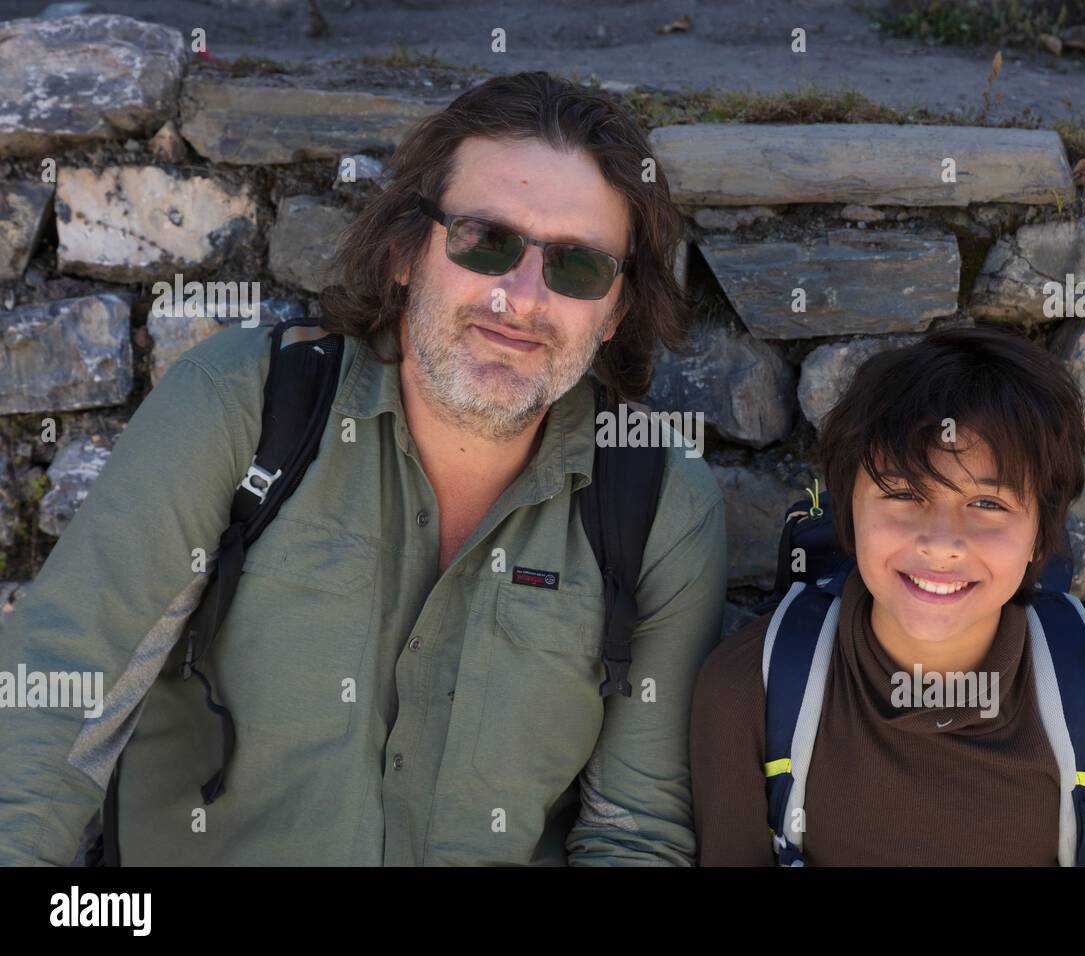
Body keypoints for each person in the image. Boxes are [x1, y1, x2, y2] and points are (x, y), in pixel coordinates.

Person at [0, 71, 726, 865]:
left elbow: (635, 831)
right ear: (408, 251)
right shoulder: (246, 407)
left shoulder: (659, 506)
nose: (521, 298)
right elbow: (58, 698)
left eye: (578, 267)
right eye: (487, 241)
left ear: (616, 310)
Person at [689, 324, 1085, 865]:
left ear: (1039, 538)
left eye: (988, 504)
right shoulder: (751, 690)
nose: (941, 545)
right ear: (849, 511)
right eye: (902, 494)